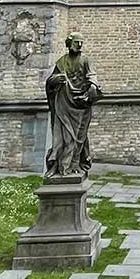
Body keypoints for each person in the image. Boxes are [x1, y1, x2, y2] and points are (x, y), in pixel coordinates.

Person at [44, 32, 102, 177]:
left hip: (81, 105)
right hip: (64, 103)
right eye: (76, 42)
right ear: (69, 43)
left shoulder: (86, 60)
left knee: (79, 137)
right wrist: (55, 80)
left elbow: (92, 75)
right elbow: (50, 81)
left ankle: (75, 163)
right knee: (64, 136)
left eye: (81, 42)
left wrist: (93, 87)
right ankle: (61, 165)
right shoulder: (61, 62)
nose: (80, 45)